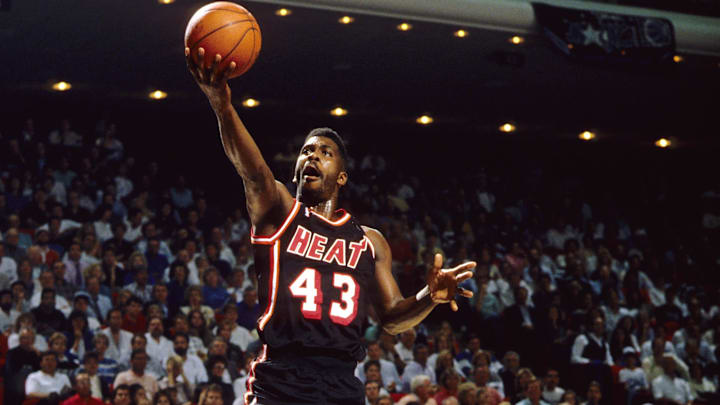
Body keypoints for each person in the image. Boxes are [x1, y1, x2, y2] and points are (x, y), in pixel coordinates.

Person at [185, 44, 476, 405]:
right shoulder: (280, 211)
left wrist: (429, 297)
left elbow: (392, 318)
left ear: (341, 177)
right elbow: (254, 172)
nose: (313, 156)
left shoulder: (371, 241)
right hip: (282, 378)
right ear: (295, 169)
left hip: (342, 384)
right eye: (307, 151)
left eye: (325, 153)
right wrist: (222, 104)